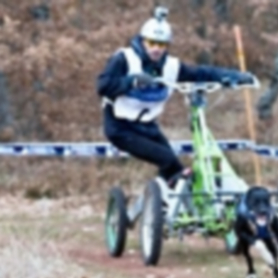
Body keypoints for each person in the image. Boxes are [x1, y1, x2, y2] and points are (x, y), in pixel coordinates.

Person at [97, 6, 254, 187]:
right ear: (142, 41)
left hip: (147, 126)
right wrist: (131, 81)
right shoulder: (124, 59)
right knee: (167, 159)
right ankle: (161, 197)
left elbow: (200, 73)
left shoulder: (171, 66)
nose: (156, 49)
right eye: (151, 43)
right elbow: (103, 86)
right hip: (120, 127)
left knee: (176, 170)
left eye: (161, 45)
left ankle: (168, 199)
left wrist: (235, 77)